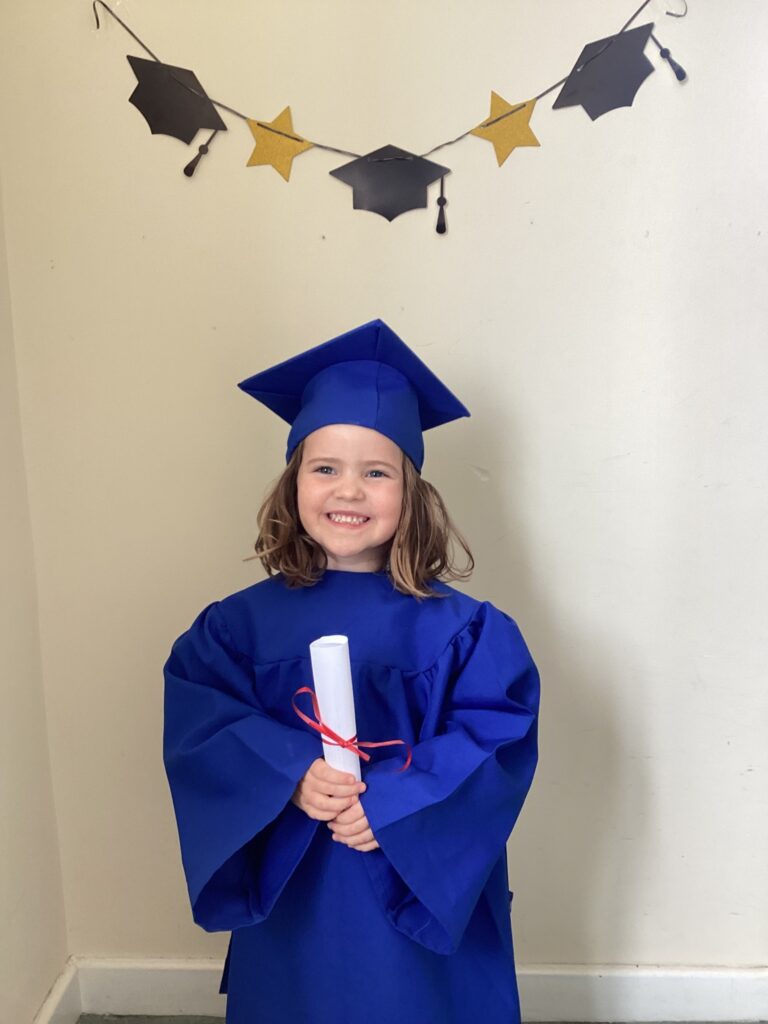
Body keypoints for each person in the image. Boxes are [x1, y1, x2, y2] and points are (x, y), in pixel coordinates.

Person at [163, 318, 540, 1024]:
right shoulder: (236, 628)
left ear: (412, 492)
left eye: (377, 471)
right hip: (297, 887)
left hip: (413, 879)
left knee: (417, 1002)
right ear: (293, 483)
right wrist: (292, 770)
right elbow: (203, 723)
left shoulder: (465, 631)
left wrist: (395, 802)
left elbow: (496, 739)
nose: (350, 490)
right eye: (325, 468)